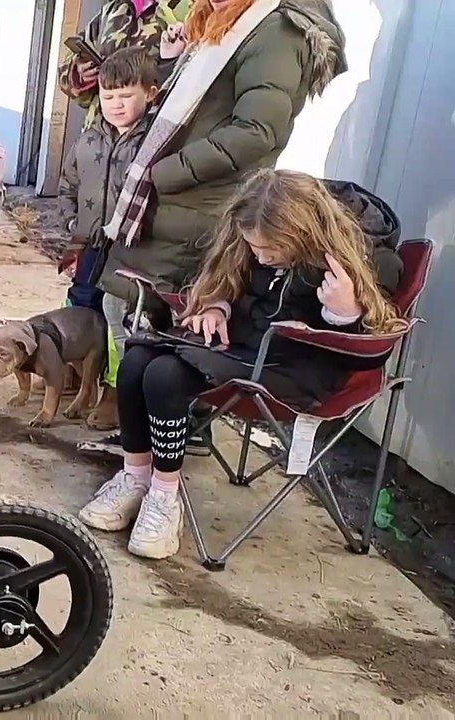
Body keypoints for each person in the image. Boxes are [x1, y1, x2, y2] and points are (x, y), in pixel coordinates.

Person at [78, 169, 405, 560]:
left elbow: (379, 346)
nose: (261, 256)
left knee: (165, 374)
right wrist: (216, 305)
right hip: (241, 348)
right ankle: (135, 478)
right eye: (254, 247)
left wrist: (345, 313)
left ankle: (165, 497)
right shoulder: (249, 243)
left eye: (271, 249)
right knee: (136, 358)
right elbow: (220, 282)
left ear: (304, 233)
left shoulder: (368, 260)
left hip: (299, 369)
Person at [83, 0, 347, 455]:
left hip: (202, 208)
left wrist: (169, 171)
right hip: (177, 205)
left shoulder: (276, 31)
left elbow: (258, 131)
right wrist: (171, 64)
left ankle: (171, 448)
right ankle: (141, 450)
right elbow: (202, 110)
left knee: (172, 332)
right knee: (137, 318)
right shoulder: (222, 21)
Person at [57, 47, 159, 429]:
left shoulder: (154, 144)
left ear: (150, 93)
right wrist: (71, 227)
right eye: (108, 96)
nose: (116, 104)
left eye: (126, 95)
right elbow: (67, 185)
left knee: (117, 320)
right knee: (81, 308)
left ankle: (114, 393)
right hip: (88, 245)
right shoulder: (88, 140)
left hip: (128, 251)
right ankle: (77, 377)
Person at [57, 0, 192, 130]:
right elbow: (69, 65)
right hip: (97, 133)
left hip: (145, 134)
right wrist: (79, 73)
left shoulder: (185, 11)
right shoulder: (115, 8)